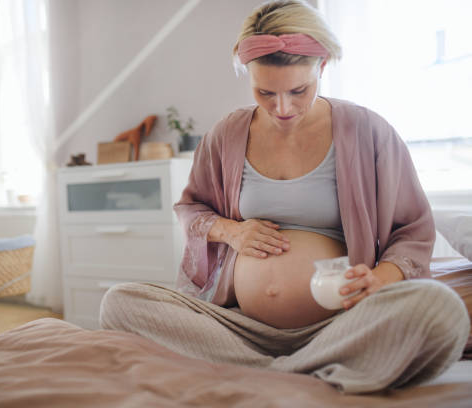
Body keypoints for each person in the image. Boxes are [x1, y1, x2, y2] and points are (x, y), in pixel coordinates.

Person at [100, 0, 470, 394]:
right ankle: (294, 369)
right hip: (240, 327)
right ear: (247, 76)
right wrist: (232, 232)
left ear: (322, 67)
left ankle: (263, 370)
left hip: (341, 323)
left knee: (440, 309)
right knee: (119, 301)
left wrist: (381, 278)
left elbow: (412, 228)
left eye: (299, 90)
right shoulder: (226, 134)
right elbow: (191, 208)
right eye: (265, 92)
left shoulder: (368, 130)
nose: (282, 108)